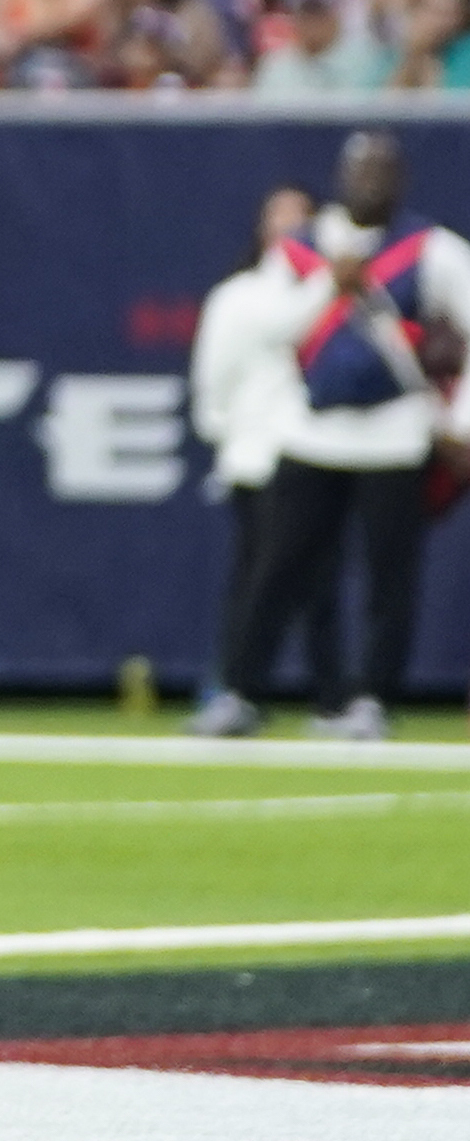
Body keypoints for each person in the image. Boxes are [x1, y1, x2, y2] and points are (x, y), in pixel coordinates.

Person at [205, 132, 470, 742]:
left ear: (402, 181)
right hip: (310, 431)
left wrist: (457, 424)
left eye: (383, 172)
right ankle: (241, 691)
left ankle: (372, 698)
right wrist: (332, 284)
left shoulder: (432, 250)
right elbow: (272, 328)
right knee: (279, 567)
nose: (370, 183)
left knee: (388, 575)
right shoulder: (300, 251)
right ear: (339, 177)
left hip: (395, 431)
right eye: (360, 171)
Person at [188, 185, 334, 729]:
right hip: (256, 461)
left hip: (321, 454)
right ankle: (230, 689)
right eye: (279, 218)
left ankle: (335, 699)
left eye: (302, 218)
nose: (290, 229)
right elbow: (213, 377)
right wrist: (225, 437)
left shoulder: (343, 294)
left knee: (320, 584)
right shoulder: (241, 296)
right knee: (257, 581)